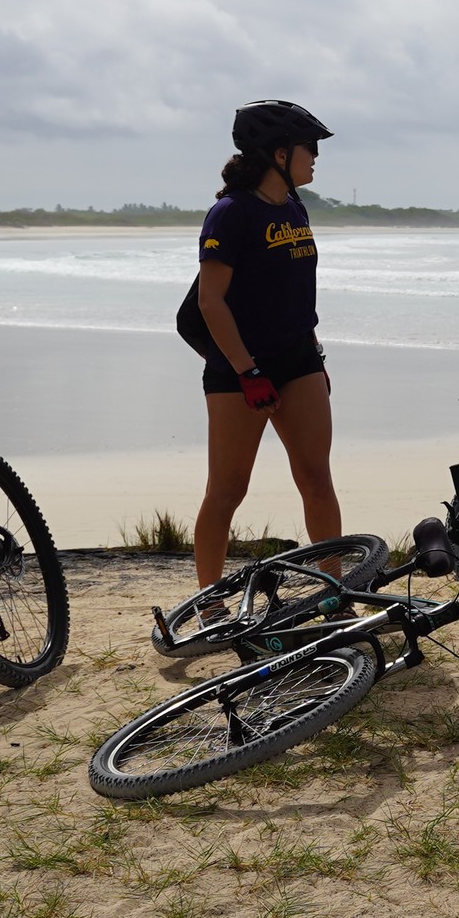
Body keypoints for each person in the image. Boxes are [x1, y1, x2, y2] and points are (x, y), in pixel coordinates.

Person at [189, 101, 344, 588]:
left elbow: (295, 292)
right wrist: (247, 371)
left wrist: (315, 356)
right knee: (228, 490)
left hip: (298, 359)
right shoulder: (231, 213)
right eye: (309, 148)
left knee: (316, 479)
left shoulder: (294, 207)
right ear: (279, 153)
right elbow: (210, 302)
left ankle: (334, 591)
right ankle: (209, 601)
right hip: (240, 369)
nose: (316, 157)